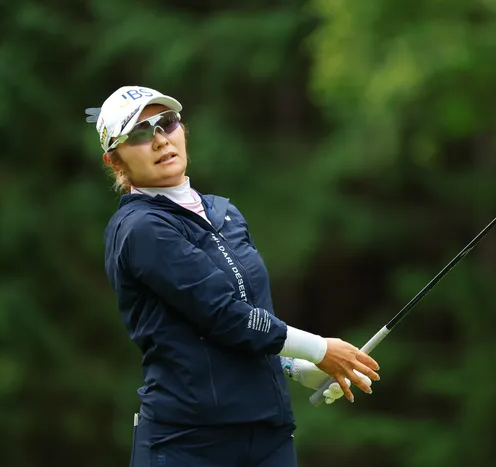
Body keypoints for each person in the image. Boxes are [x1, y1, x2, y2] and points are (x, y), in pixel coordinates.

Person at [88, 85, 381, 467]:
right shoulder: (140, 228)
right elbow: (223, 314)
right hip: (187, 442)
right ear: (115, 161)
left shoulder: (224, 213)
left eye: (167, 122)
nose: (160, 139)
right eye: (140, 133)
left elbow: (252, 315)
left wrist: (294, 366)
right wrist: (321, 350)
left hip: (268, 436)